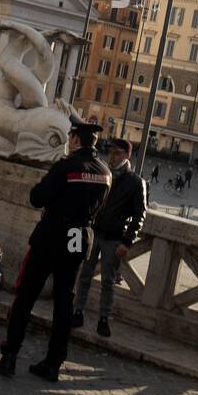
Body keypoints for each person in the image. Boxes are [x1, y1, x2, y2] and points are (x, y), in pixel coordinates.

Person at [0, 119, 111, 382]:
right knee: (63, 302)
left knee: (26, 294)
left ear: (75, 139)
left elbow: (37, 198)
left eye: (71, 136)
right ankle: (53, 363)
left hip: (53, 235)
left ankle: (10, 355)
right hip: (77, 237)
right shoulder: (106, 173)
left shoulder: (65, 166)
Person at [73, 138, 146, 339]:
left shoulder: (135, 182)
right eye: (111, 153)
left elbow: (140, 215)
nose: (112, 157)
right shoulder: (103, 173)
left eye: (117, 154)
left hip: (114, 238)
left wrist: (127, 241)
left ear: (127, 156)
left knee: (108, 281)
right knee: (84, 274)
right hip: (93, 232)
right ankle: (78, 311)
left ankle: (103, 319)